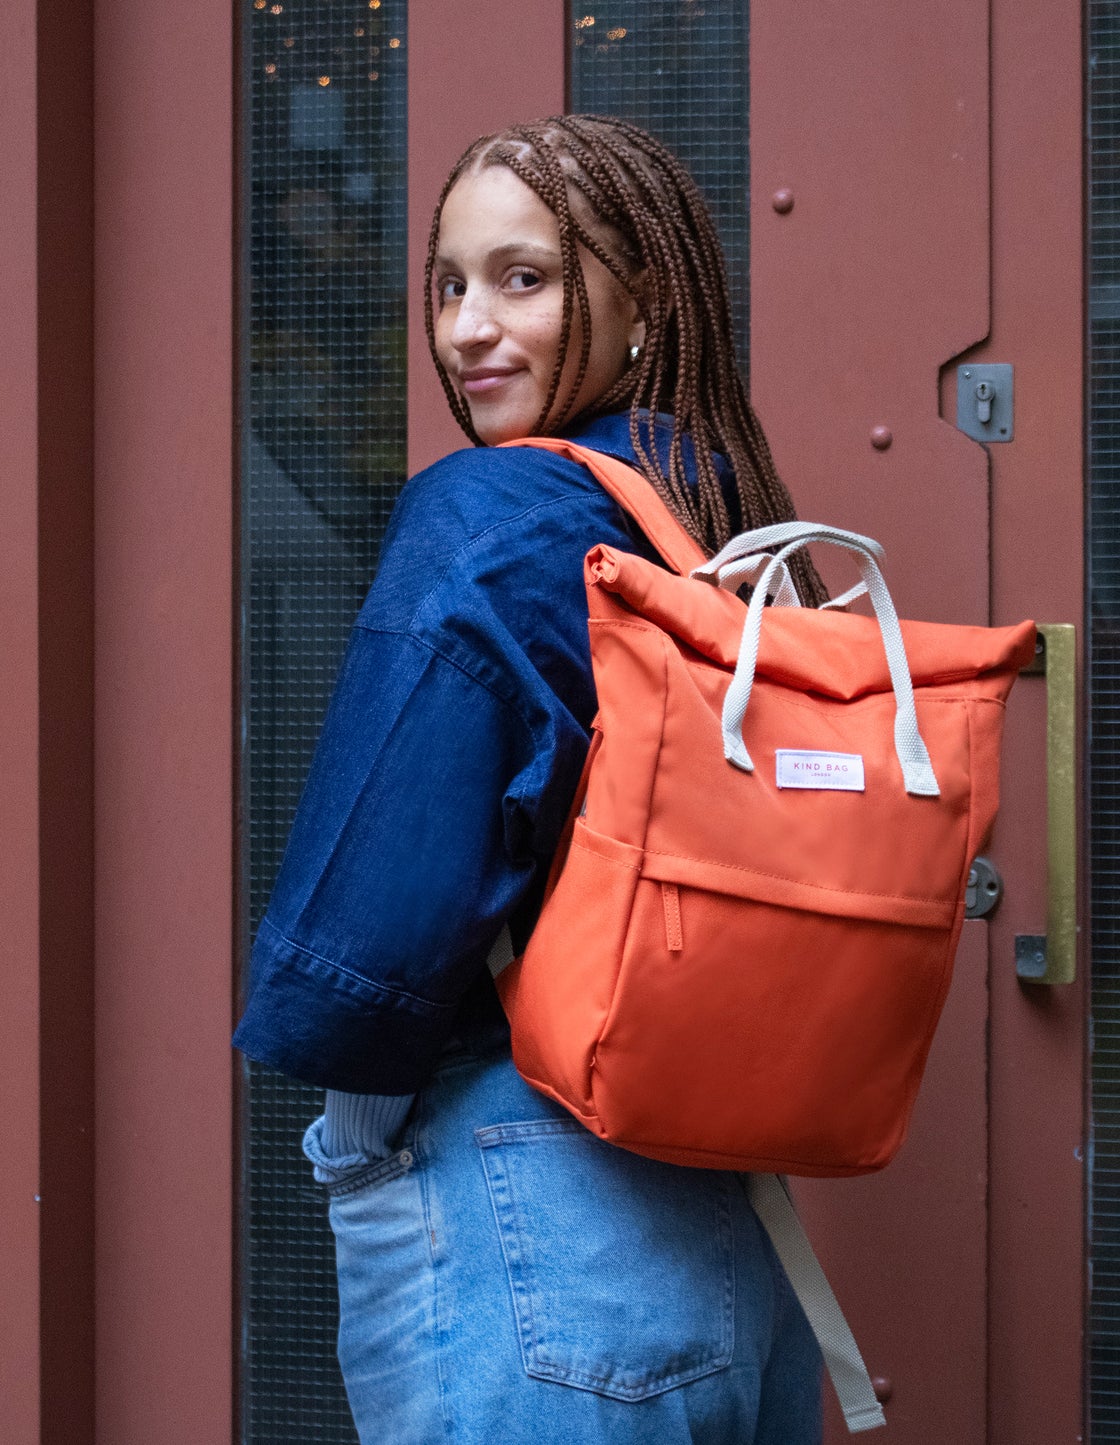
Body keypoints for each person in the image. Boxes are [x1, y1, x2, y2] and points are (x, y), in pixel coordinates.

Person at [234, 115, 825, 1444]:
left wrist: (346, 1142)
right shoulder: (727, 518)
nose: (466, 330)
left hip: (531, 1236)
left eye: (523, 278)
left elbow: (374, 909)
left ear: (639, 299)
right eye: (448, 283)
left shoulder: (493, 518)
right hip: (729, 1243)